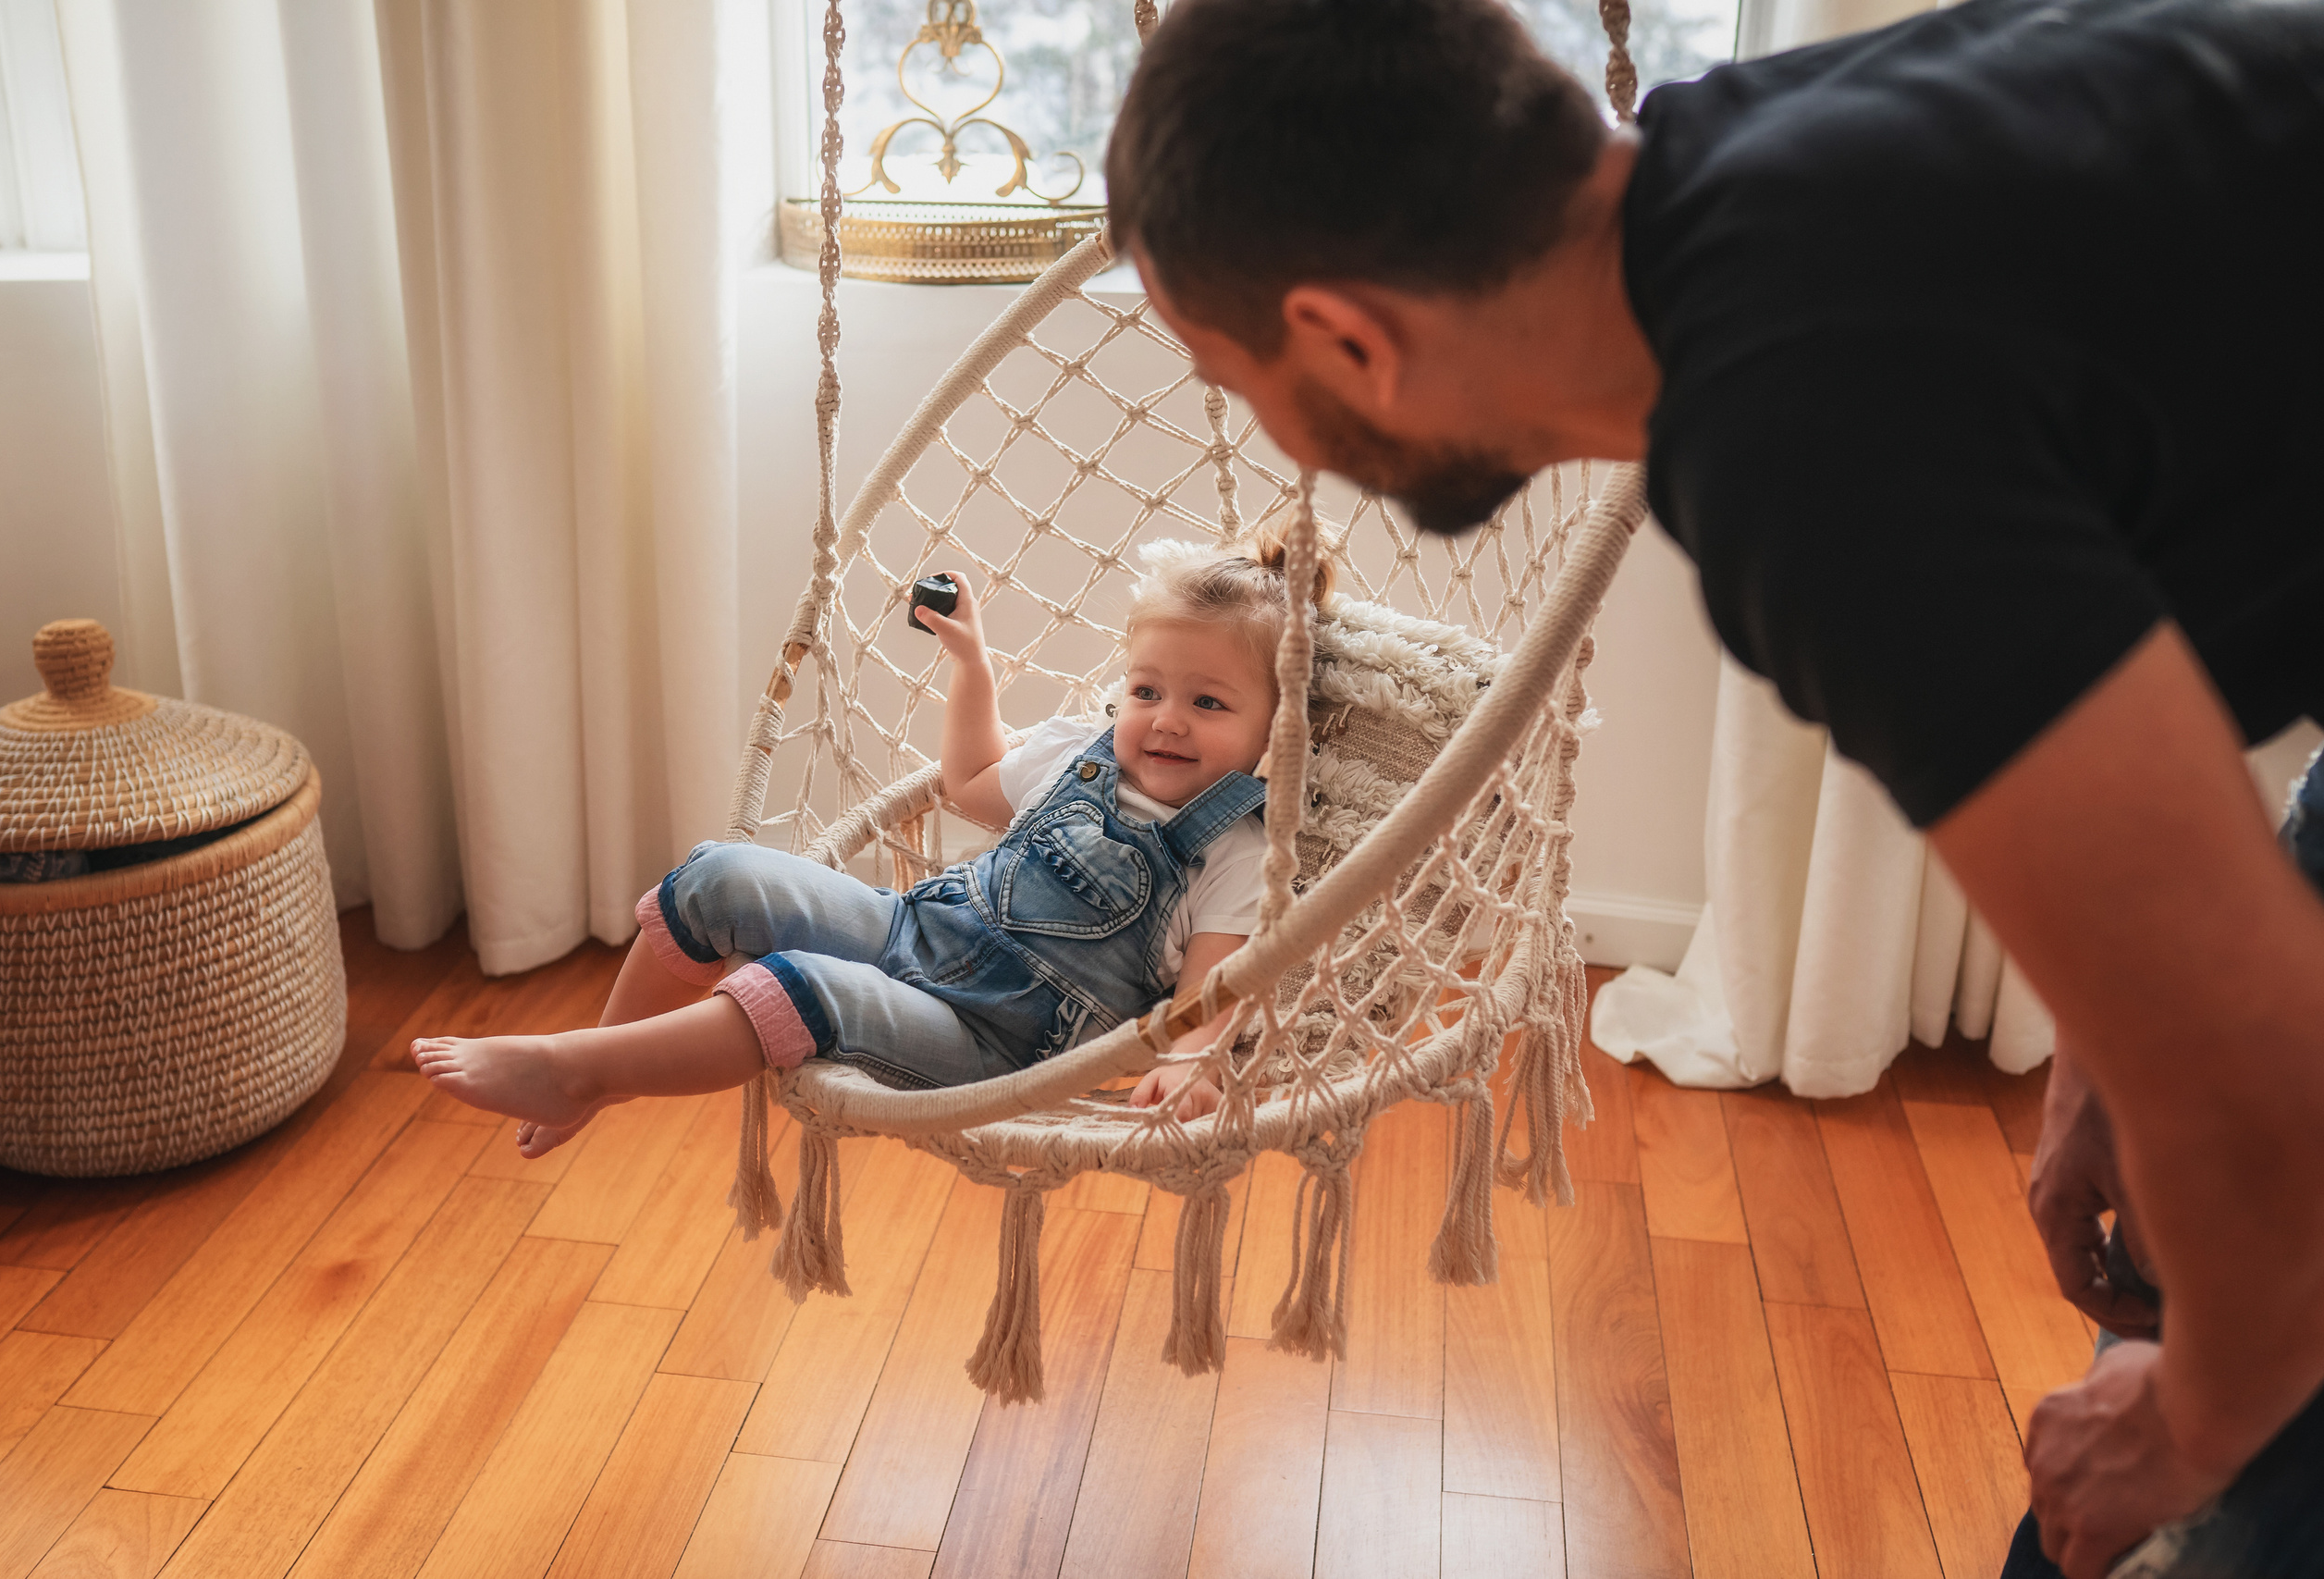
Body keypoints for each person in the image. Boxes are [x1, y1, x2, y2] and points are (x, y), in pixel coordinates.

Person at [1101, 0, 2324, 1573]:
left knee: (2196, 1490)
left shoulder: (1803, 428)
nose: (1291, 452)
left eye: (1239, 378)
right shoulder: (1759, 168)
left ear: (1349, 338)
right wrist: (2115, 1022)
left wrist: (2194, 1423)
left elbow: (2271, 1094)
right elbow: (2179, 522)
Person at [412, 534, 1337, 1162]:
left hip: (996, 1040)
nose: (1166, 721)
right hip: (915, 929)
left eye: (1208, 704)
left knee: (798, 990)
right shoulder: (1072, 751)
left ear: (1276, 728)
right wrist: (973, 667)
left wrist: (1189, 1063)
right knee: (715, 875)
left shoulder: (1234, 853)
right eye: (1147, 691)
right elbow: (975, 782)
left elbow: (1209, 990)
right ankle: (602, 1065)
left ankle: (575, 1068)